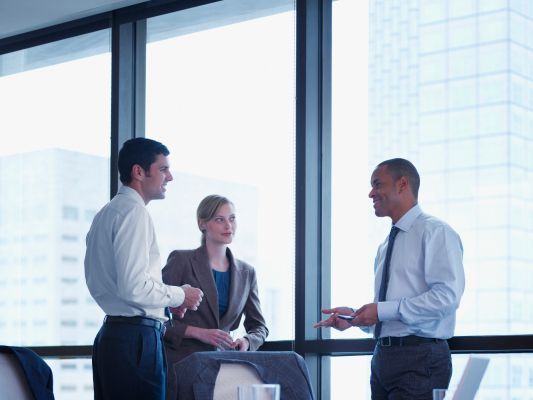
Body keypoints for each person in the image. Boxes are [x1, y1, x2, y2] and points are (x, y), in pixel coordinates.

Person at [314, 158, 465, 400]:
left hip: (420, 359)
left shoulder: (436, 232)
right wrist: (355, 317)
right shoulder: (385, 245)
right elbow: (389, 313)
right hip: (382, 359)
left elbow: (446, 298)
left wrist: (381, 311)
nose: (370, 193)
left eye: (377, 184)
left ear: (402, 184)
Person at [84, 137, 204, 400]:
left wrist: (163, 304)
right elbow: (134, 287)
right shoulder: (134, 213)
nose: (170, 177)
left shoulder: (105, 214)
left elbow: (116, 286)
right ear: (139, 171)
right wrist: (181, 295)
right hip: (136, 341)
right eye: (163, 169)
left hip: (113, 338)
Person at [162, 194, 269, 399]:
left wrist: (247, 341)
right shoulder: (181, 260)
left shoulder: (247, 272)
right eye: (220, 219)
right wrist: (198, 332)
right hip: (182, 365)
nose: (228, 226)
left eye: (232, 218)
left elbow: (259, 327)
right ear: (202, 224)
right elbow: (155, 318)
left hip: (225, 368)